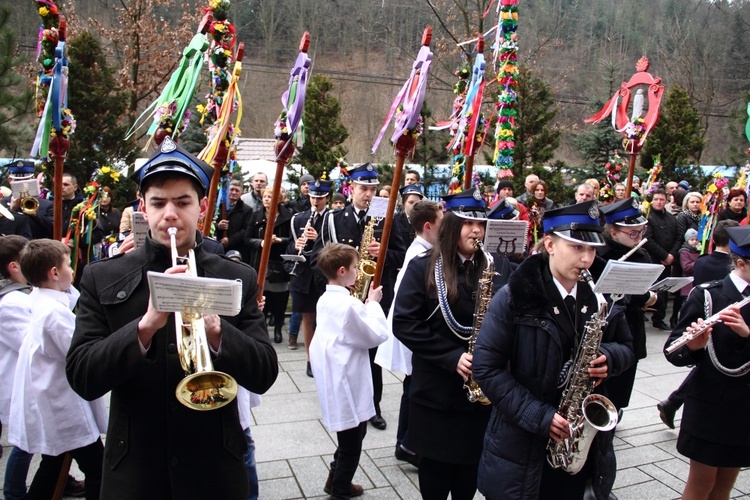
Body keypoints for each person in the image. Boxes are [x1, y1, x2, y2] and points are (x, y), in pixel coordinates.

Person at [65, 137, 279, 498]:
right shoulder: (103, 276)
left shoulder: (236, 277)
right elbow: (83, 377)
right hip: (135, 468)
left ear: (203, 206)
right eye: (158, 203)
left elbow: (264, 374)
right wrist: (145, 326)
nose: (170, 214)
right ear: (143, 208)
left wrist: (215, 327)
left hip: (214, 468)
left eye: (183, 202)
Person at [472, 200, 634, 500]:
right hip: (523, 446)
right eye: (577, 248)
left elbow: (627, 346)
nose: (587, 259)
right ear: (549, 244)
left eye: (592, 249)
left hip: (580, 447)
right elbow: (486, 367)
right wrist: (539, 416)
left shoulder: (601, 298)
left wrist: (610, 358)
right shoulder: (512, 298)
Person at [392, 187, 500, 499]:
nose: (476, 230)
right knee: (436, 478)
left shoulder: (492, 266)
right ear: (451, 224)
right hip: (435, 395)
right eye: (468, 223)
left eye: (481, 224)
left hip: (478, 397)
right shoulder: (423, 266)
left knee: (469, 477)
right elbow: (404, 323)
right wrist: (452, 356)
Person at [311, 162, 406, 431]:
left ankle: (372, 407)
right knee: (344, 356)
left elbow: (402, 253)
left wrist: (383, 253)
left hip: (371, 297)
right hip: (343, 298)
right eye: (364, 188)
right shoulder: (332, 218)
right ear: (351, 188)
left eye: (374, 189)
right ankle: (343, 403)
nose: (369, 195)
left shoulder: (385, 215)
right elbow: (319, 257)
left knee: (372, 355)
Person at [9, 239, 106, 500]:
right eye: (68, 265)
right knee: (98, 468)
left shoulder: (42, 298)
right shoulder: (53, 313)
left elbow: (71, 298)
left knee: (53, 464)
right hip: (61, 404)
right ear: (54, 273)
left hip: (52, 398)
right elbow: (78, 353)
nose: (72, 270)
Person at [664, 225, 750, 500]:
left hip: (744, 406)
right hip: (710, 404)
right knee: (700, 487)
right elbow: (671, 351)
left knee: (724, 487)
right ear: (740, 264)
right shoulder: (707, 295)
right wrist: (693, 346)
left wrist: (747, 334)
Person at [310, 243, 389, 499]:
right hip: (347, 378)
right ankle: (340, 489)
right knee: (352, 441)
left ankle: (334, 477)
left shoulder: (326, 299)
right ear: (342, 271)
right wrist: (373, 304)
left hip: (338, 374)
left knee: (351, 433)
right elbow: (375, 334)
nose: (359, 272)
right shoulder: (348, 305)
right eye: (356, 268)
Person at [375, 199, 443, 468]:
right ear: (428, 226)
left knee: (411, 388)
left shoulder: (425, 249)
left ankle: (407, 441)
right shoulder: (419, 255)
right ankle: (407, 442)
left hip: (413, 332)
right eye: (441, 222)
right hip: (412, 333)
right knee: (413, 390)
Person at [656, 220, 738, 430]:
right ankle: (674, 401)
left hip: (703, 324)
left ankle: (673, 401)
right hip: (717, 328)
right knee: (709, 368)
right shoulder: (725, 267)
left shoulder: (703, 261)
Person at [593, 197, 656, 417]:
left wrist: (649, 296)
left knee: (624, 379)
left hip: (631, 325)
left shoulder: (642, 254)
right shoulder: (597, 255)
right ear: (613, 233)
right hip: (604, 327)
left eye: (641, 232)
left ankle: (614, 412)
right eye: (633, 234)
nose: (639, 238)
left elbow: (644, 290)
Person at [287, 179, 332, 368]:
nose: (315, 201)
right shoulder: (299, 218)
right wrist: (296, 245)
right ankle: (310, 359)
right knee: (307, 316)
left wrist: (319, 239)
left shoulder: (332, 218)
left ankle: (324, 356)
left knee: (324, 318)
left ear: (327, 198)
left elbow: (336, 245)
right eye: (313, 197)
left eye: (320, 198)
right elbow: (290, 245)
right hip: (304, 274)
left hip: (323, 274)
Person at [247, 186, 293, 343]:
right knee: (262, 296)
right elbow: (247, 239)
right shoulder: (256, 216)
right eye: (265, 196)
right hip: (262, 263)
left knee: (279, 299)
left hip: (279, 263)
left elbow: (292, 239)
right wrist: (262, 242)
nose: (266, 199)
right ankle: (263, 329)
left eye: (270, 196)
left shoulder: (288, 216)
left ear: (279, 199)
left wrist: (280, 240)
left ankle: (279, 328)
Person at [644, 189, 679, 331]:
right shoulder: (648, 216)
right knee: (650, 290)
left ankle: (659, 318)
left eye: (661, 199)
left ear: (666, 201)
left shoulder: (671, 218)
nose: (659, 202)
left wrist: (671, 255)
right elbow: (647, 240)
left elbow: (678, 238)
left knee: (663, 290)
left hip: (668, 260)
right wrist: (663, 255)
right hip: (652, 259)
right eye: (656, 199)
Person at [2, 161, 54, 239]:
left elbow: (53, 230)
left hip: (38, 248)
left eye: (26, 180)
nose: (22, 184)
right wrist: (11, 210)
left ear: (33, 179)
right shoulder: (2, 204)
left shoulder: (47, 205)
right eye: (17, 181)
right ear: (9, 180)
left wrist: (35, 214)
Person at [217, 179, 254, 264]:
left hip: (237, 249)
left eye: (237, 190)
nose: (234, 192)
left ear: (241, 193)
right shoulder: (217, 206)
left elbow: (246, 230)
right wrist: (218, 226)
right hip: (217, 245)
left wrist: (230, 240)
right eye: (231, 189)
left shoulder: (247, 210)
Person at [395, 183, 424, 249]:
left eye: (417, 203)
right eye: (411, 202)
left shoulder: (423, 221)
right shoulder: (396, 220)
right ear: (404, 203)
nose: (414, 206)